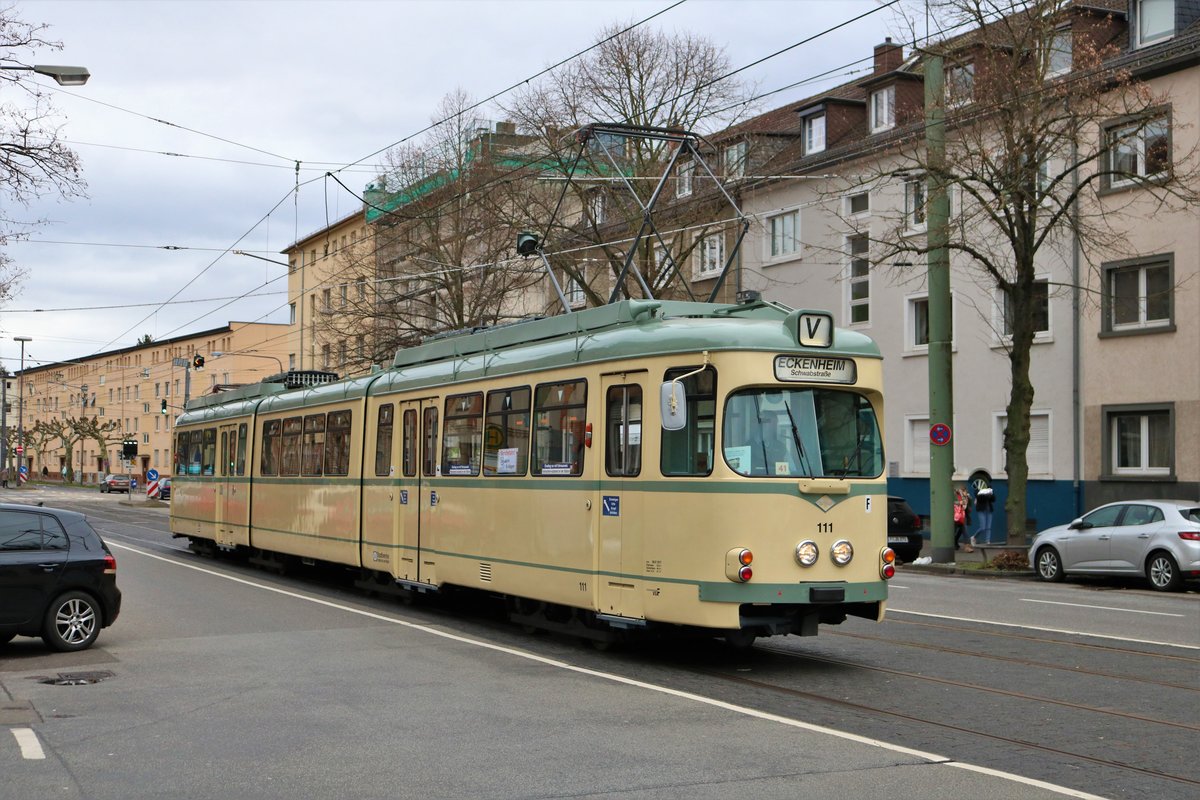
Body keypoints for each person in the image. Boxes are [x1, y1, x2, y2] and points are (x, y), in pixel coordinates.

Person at [953, 487, 971, 551]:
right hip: (955, 516)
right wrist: (959, 503)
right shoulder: (955, 496)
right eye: (963, 490)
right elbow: (950, 502)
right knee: (954, 531)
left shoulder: (966, 497)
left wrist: (967, 497)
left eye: (965, 491)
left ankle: (967, 546)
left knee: (964, 530)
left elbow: (969, 507)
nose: (964, 492)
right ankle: (953, 543)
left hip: (963, 517)